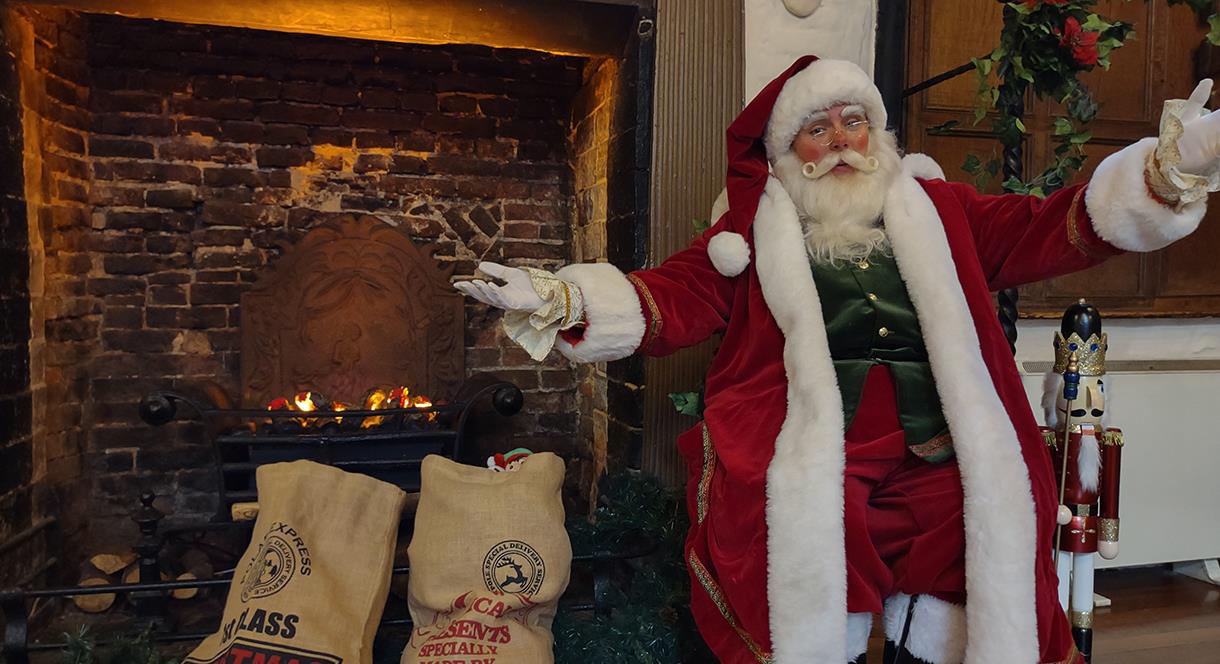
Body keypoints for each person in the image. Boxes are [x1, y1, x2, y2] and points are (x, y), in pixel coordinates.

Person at [454, 56, 1220, 664]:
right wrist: (562, 298)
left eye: (856, 122)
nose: (844, 140)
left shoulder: (943, 211)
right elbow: (673, 297)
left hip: (940, 442)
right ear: (788, 155)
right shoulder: (754, 235)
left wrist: (1164, 175)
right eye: (819, 130)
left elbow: (1056, 226)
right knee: (812, 529)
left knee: (966, 525)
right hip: (827, 444)